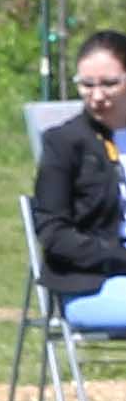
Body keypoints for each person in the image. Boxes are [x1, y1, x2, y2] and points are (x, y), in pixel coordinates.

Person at [32, 33, 126, 337]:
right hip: (90, 283)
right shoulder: (64, 143)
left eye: (110, 83)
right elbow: (53, 231)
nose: (97, 96)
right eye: (87, 85)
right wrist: (115, 256)